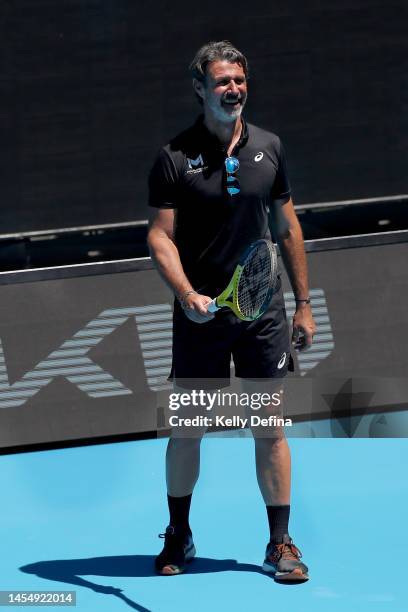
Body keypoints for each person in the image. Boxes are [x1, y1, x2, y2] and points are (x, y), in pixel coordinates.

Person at [147, 40, 315, 582]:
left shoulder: (269, 146)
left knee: (268, 427)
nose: (234, 90)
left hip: (261, 313)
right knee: (189, 430)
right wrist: (185, 293)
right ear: (200, 88)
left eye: (239, 81)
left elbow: (287, 228)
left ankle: (280, 542)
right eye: (223, 82)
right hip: (201, 316)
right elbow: (160, 237)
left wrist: (305, 305)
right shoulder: (174, 157)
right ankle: (179, 532)